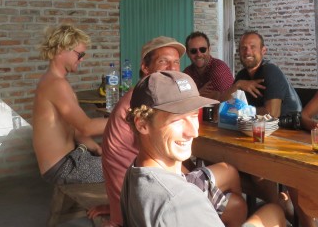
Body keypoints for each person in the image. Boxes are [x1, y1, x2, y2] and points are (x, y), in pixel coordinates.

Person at [101, 36, 246, 226]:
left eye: (176, 62)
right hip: (145, 196)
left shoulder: (139, 98)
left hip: (138, 186)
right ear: (145, 67)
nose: (172, 68)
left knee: (229, 172)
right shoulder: (145, 103)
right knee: (242, 204)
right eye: (164, 61)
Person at [121, 70, 286, 227]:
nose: (193, 132)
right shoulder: (180, 201)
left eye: (194, 115)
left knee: (243, 201)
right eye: (177, 119)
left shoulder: (135, 173)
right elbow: (179, 203)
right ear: (142, 124)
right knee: (274, 212)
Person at [32, 24, 108, 184]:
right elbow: (86, 127)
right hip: (63, 167)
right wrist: (127, 119)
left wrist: (97, 148)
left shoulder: (53, 81)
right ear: (61, 50)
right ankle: (113, 208)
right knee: (127, 167)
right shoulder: (56, 84)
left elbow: (74, 130)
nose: (82, 59)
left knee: (118, 157)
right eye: (80, 54)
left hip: (69, 159)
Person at [230, 31, 302, 118]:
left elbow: (272, 114)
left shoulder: (270, 71)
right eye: (243, 48)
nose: (247, 52)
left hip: (287, 128)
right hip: (256, 127)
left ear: (263, 51)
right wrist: (238, 85)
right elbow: (223, 106)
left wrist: (242, 111)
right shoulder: (242, 76)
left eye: (252, 47)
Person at [183, 31, 234, 102]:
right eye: (193, 51)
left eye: (202, 50)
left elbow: (226, 100)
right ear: (188, 53)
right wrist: (198, 93)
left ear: (209, 49)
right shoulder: (187, 73)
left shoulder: (219, 69)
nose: (199, 54)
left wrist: (193, 96)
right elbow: (182, 101)